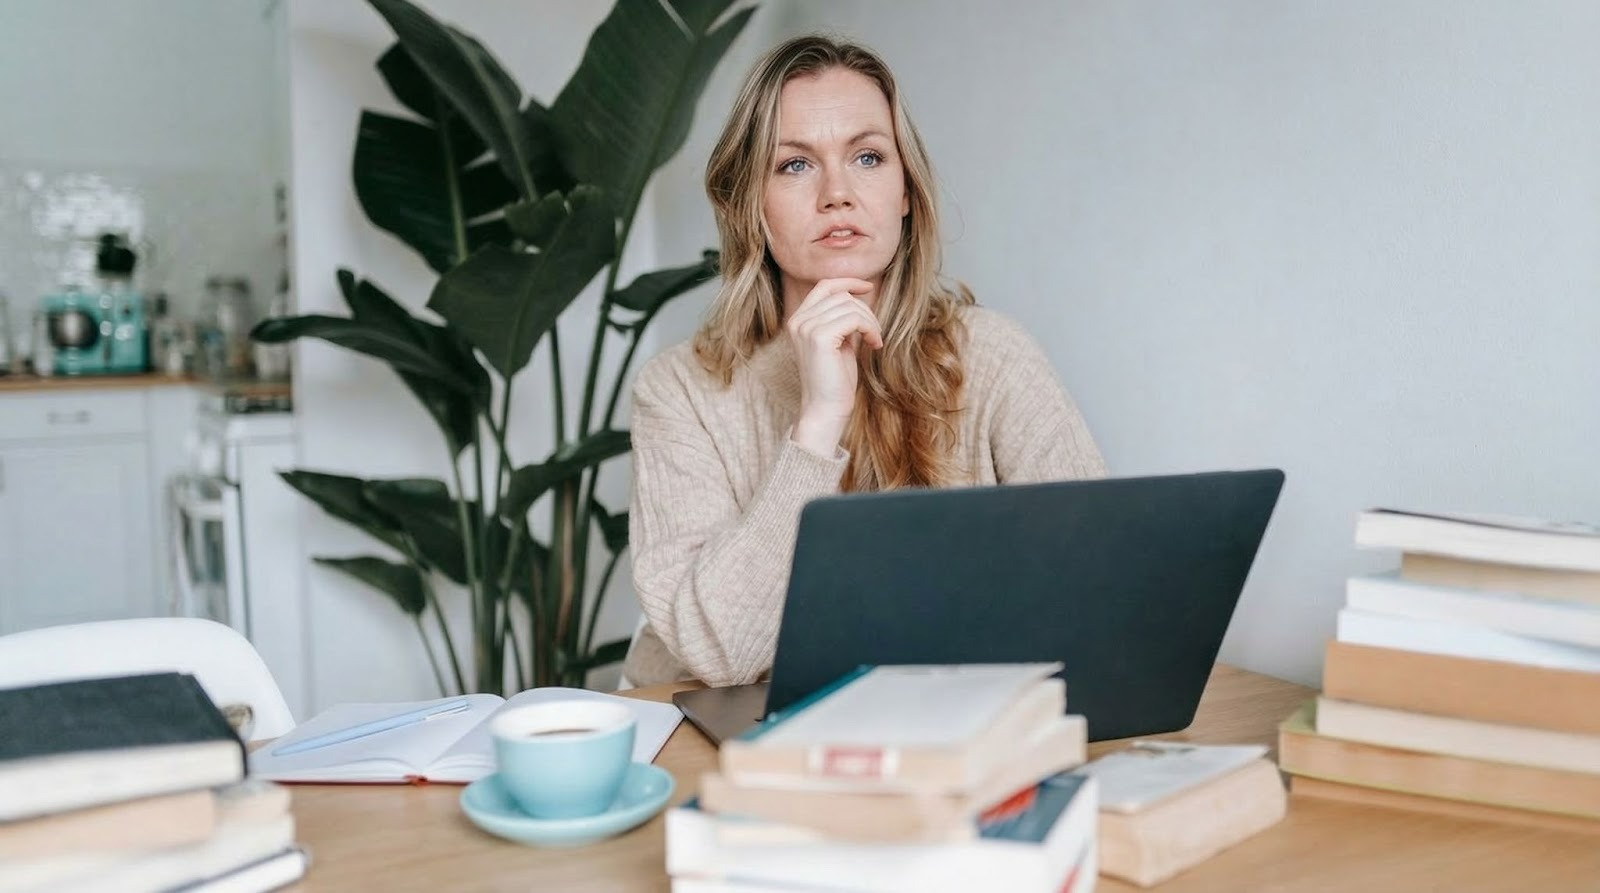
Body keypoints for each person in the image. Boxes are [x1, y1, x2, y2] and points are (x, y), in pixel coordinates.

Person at [622, 35, 1106, 689]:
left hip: (940, 733)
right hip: (726, 746)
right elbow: (722, 654)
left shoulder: (992, 357)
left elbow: (1101, 585)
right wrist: (819, 422)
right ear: (750, 205)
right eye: (794, 165)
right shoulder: (681, 390)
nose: (837, 193)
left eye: (869, 156)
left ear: (906, 190)